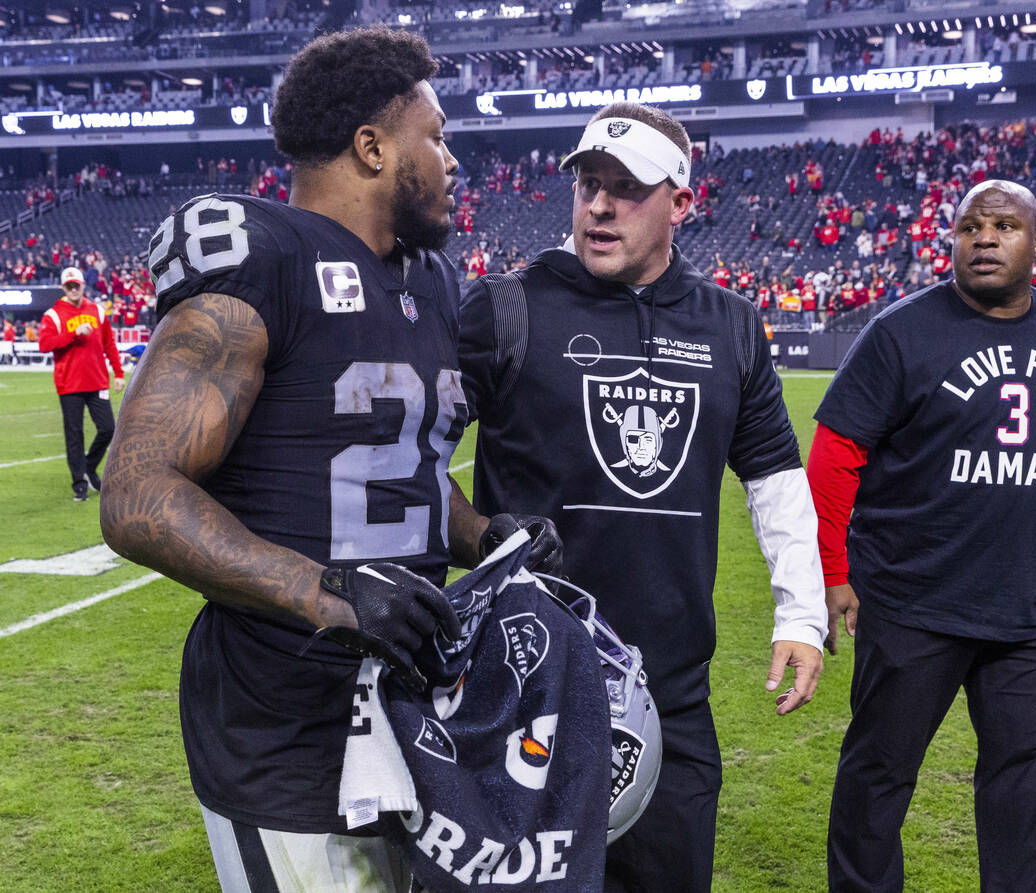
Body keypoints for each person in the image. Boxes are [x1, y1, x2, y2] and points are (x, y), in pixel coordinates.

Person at [100, 27, 561, 892]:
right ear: (373, 145)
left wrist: (485, 533)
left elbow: (400, 467)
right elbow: (134, 495)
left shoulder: (428, 279)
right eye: (438, 134)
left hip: (412, 707)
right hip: (284, 723)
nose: (455, 158)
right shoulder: (263, 261)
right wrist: (330, 592)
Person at [457, 102, 829, 892]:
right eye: (589, 183)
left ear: (681, 202)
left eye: (626, 188)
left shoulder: (731, 325)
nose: (599, 204)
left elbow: (775, 479)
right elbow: (407, 456)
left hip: (672, 695)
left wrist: (802, 615)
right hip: (525, 687)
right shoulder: (505, 306)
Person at [809, 180, 1036, 892]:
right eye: (970, 225)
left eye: (1005, 225)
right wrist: (831, 570)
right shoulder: (900, 330)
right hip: (912, 600)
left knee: (1022, 786)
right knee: (878, 776)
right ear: (949, 239)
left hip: (1029, 613)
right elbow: (834, 457)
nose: (984, 237)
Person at [38, 265, 125, 501]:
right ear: (63, 287)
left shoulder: (97, 311)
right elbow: (44, 345)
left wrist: (118, 373)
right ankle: (79, 482)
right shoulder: (53, 315)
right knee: (74, 435)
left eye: (77, 285)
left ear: (83, 285)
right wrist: (74, 333)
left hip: (97, 381)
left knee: (108, 428)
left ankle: (89, 465)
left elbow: (109, 345)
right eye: (69, 286)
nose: (74, 289)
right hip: (70, 385)